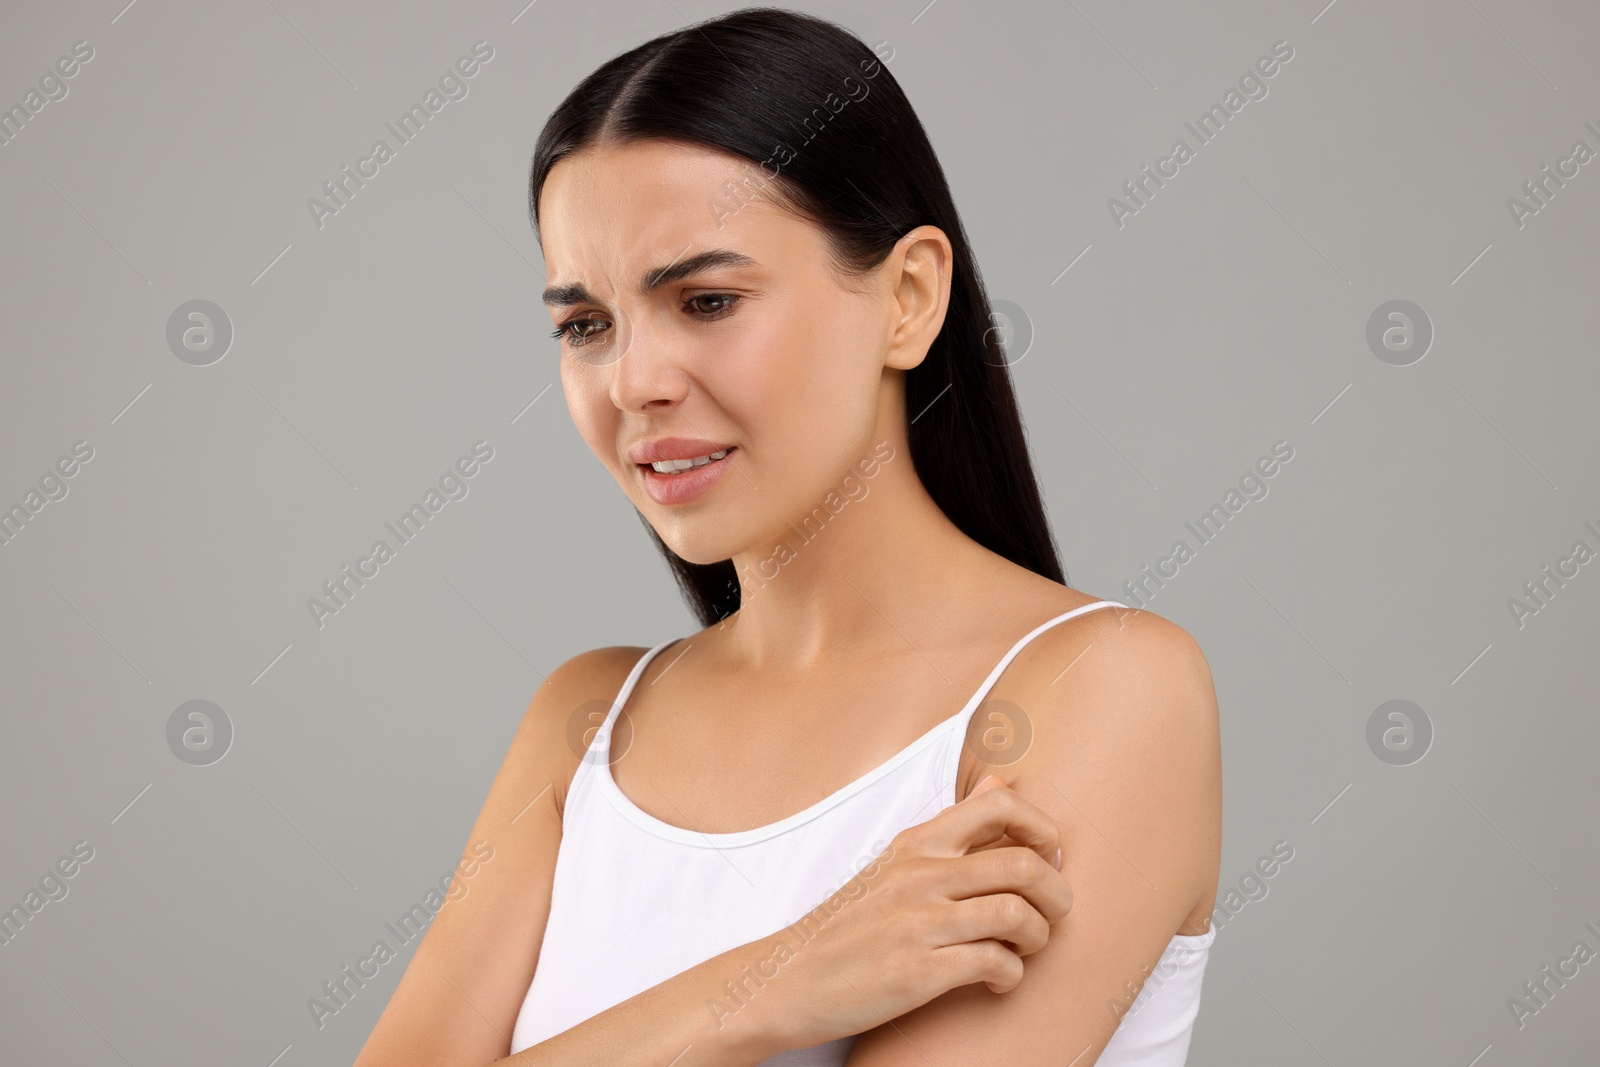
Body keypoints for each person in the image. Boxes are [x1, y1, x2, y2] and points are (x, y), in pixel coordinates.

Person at [355, 8, 1221, 1066]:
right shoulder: (583, 725)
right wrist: (776, 982)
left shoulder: (1104, 689)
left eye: (707, 298)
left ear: (908, 297)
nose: (634, 381)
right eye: (586, 325)